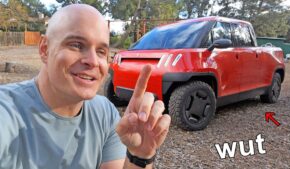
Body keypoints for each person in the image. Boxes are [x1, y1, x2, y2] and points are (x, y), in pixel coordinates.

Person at [0, 4, 171, 169]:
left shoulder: (104, 113)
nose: (93, 61)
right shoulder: (6, 111)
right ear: (45, 49)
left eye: (101, 51)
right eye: (76, 45)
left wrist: (140, 155)